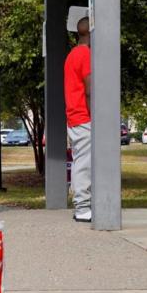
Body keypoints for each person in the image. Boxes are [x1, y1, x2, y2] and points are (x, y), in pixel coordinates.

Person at [65, 16, 92, 223]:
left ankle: (84, 204)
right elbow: (90, 89)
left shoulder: (73, 54)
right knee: (84, 162)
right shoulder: (85, 54)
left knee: (80, 160)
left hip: (75, 116)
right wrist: (97, 118)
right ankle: (82, 207)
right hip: (84, 116)